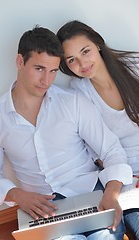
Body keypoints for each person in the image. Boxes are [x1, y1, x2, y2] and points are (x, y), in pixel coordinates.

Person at [0, 26, 132, 240]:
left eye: (53, 71)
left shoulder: (73, 101)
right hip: (43, 209)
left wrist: (111, 192)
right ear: (20, 61)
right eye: (39, 68)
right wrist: (17, 195)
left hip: (91, 195)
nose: (47, 81)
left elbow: (111, 149)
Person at [57, 20, 139, 239]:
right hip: (128, 178)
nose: (82, 63)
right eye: (72, 60)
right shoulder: (79, 92)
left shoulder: (134, 64)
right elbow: (98, 150)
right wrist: (126, 177)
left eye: (85, 51)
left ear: (98, 45)